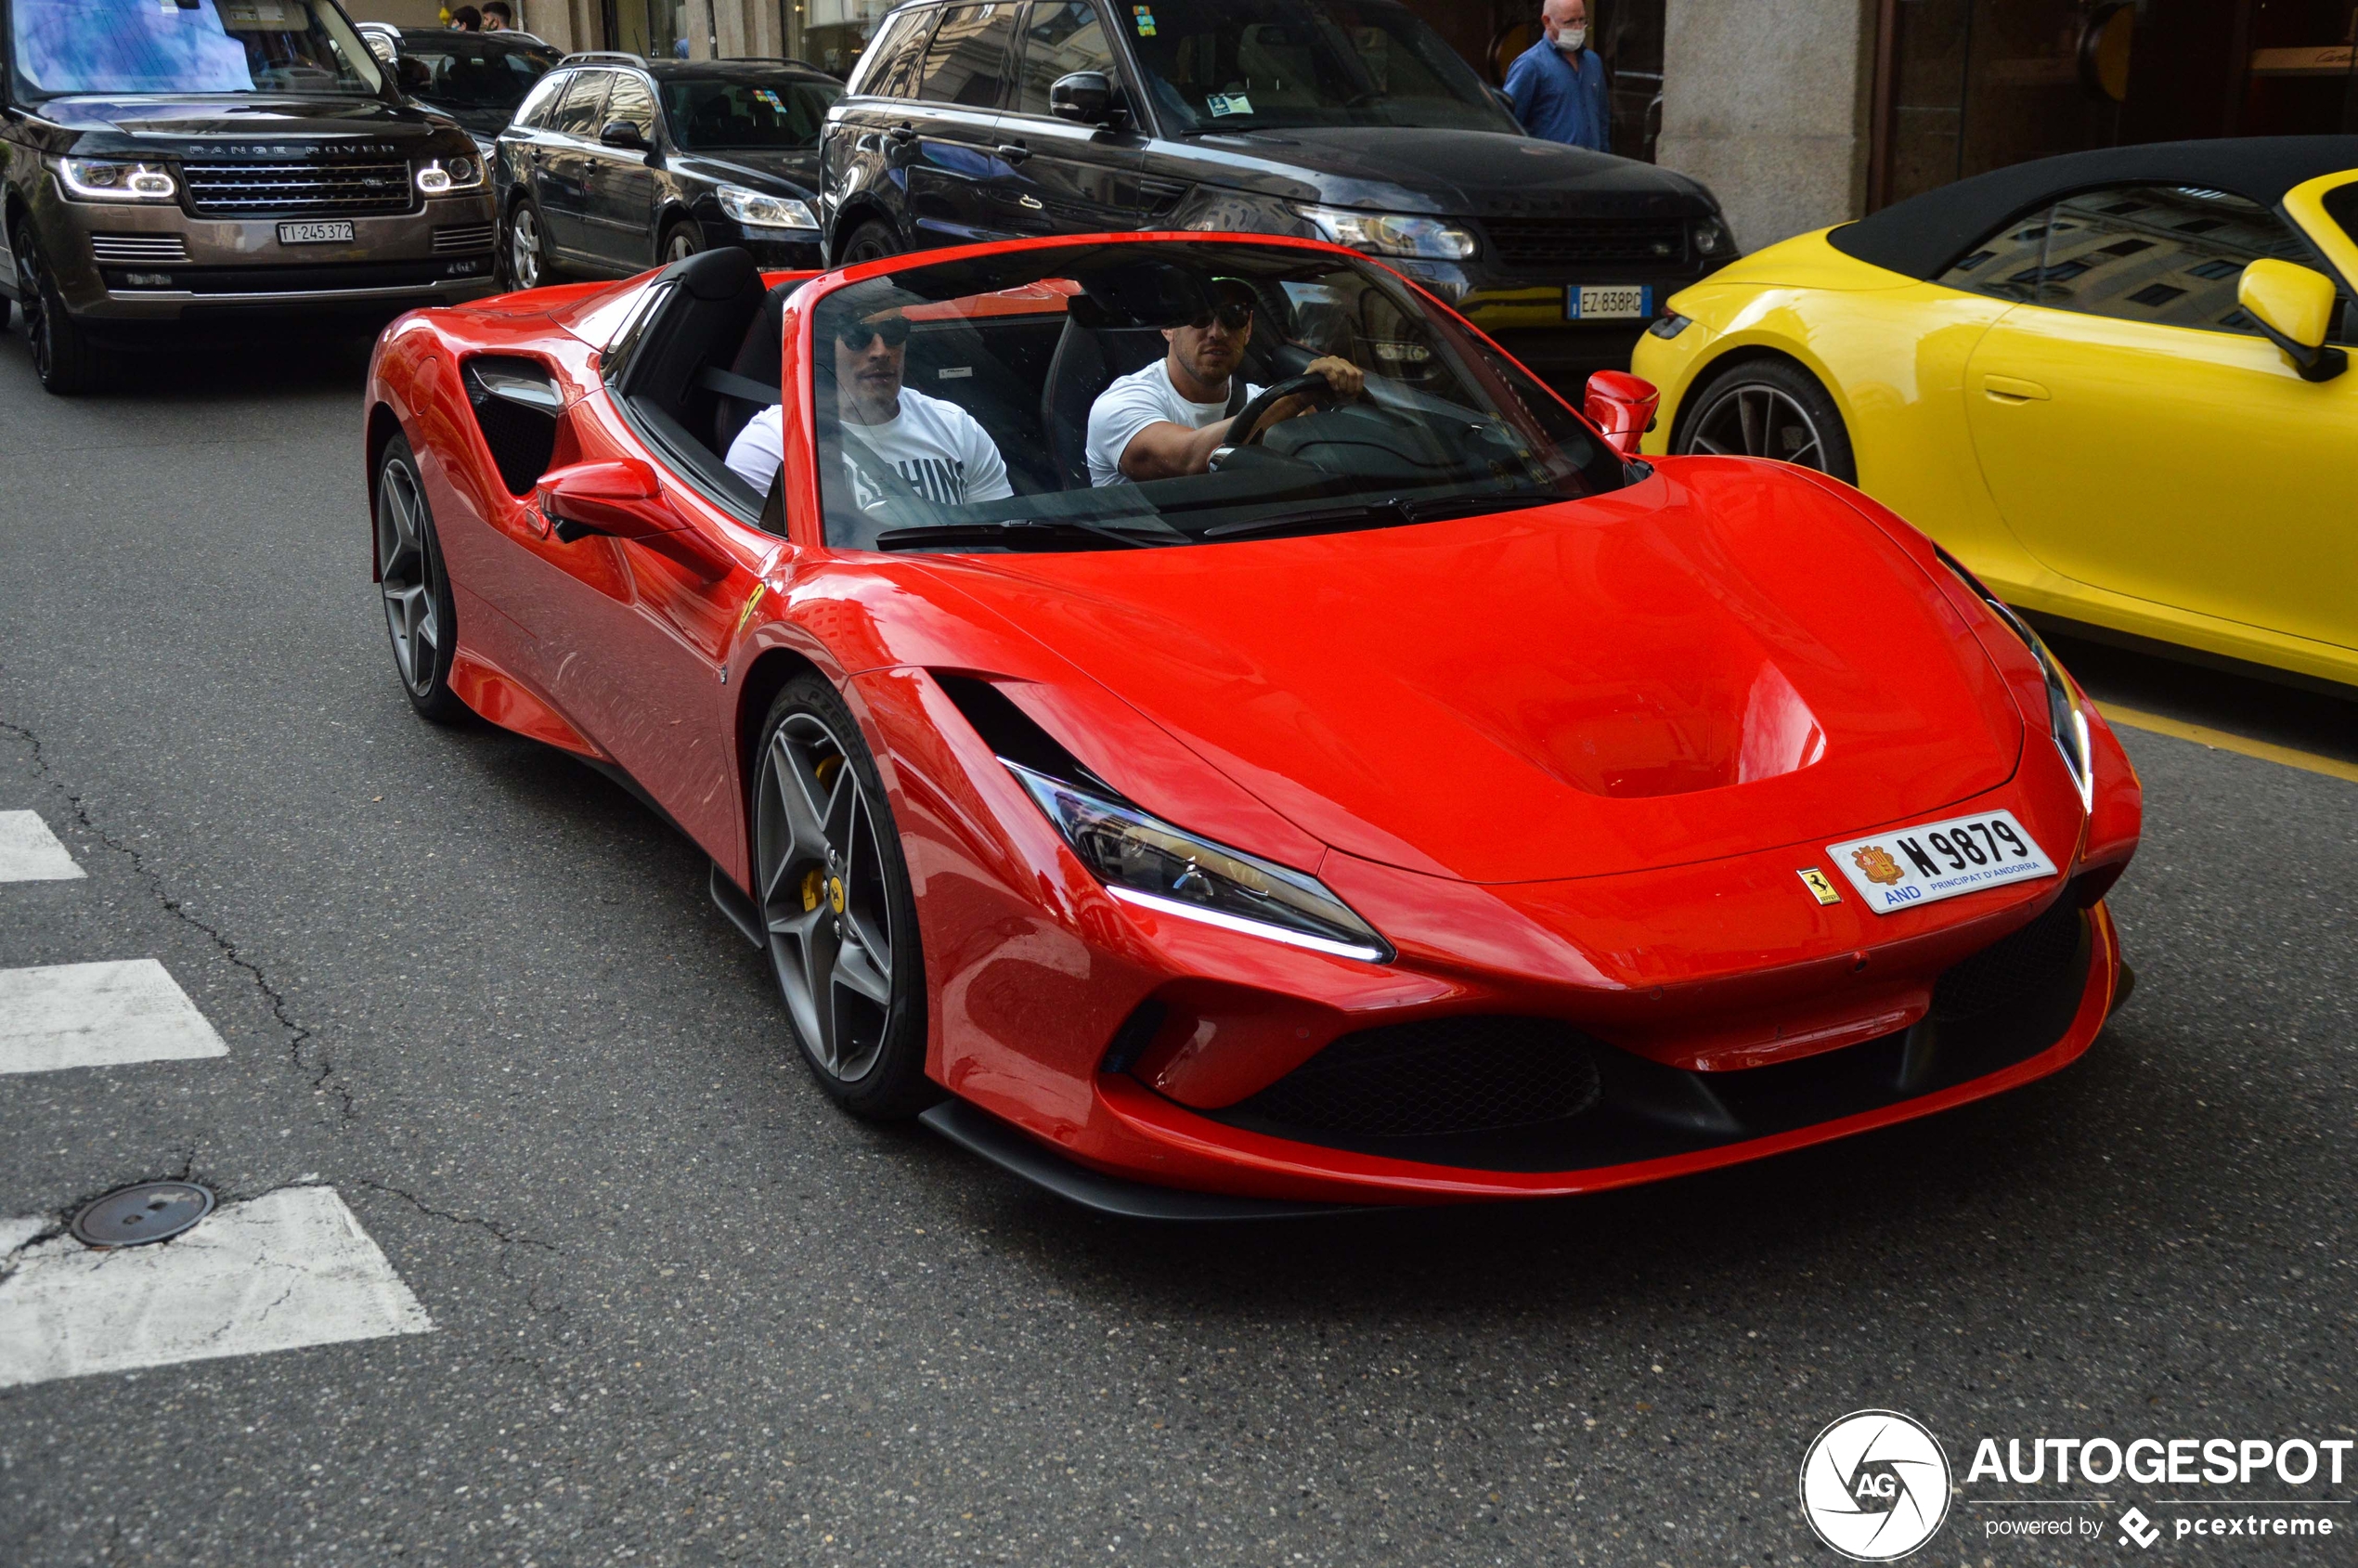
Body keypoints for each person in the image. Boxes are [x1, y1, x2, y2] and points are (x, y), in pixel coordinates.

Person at [725, 280, 1012, 529]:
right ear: (823, 347)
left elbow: (1004, 543)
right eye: (858, 335)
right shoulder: (774, 443)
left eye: (894, 331)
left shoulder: (957, 428)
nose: (881, 351)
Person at [1084, 279, 1362, 486]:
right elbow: (1185, 460)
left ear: (1248, 328)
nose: (1217, 332)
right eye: (1199, 315)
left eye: (1233, 315)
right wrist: (1297, 397)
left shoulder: (1263, 402)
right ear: (1168, 327)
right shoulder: (1120, 405)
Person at [1503, 0, 1609, 152]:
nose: (1578, 28)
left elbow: (1602, 119)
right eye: (1569, 22)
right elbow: (1508, 124)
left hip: (1592, 167)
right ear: (1547, 21)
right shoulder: (1530, 65)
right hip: (1550, 170)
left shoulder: (1593, 62)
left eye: (1582, 20)